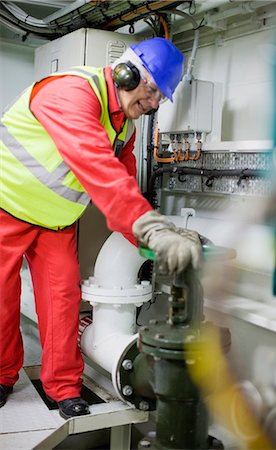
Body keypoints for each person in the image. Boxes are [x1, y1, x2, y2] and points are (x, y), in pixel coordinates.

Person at [0, 37, 201, 419]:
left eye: (162, 97)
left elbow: (123, 193)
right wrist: (153, 228)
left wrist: (152, 238)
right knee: (1, 300)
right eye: (153, 90)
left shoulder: (124, 129)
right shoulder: (70, 93)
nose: (155, 104)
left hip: (55, 223)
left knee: (62, 302)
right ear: (127, 73)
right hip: (5, 207)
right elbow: (98, 169)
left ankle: (63, 387)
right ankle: (2, 375)